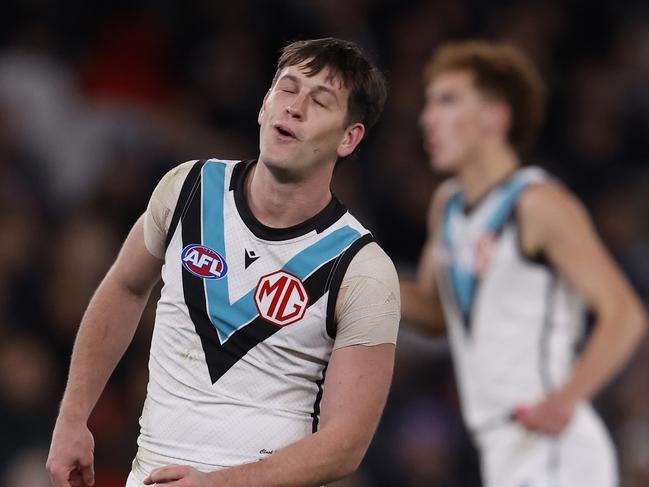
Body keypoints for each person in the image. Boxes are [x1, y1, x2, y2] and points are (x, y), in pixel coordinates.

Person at [47, 37, 400, 487]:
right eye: (288, 89)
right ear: (264, 106)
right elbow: (125, 287)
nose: (295, 107)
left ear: (349, 138)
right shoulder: (186, 189)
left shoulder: (362, 269)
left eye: (320, 101)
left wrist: (215, 484)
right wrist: (73, 417)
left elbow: (346, 443)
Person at [401, 40, 647, 487]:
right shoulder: (447, 207)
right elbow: (437, 314)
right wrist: (352, 276)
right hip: (501, 446)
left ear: (495, 116)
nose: (427, 117)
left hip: (552, 445)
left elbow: (624, 312)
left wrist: (566, 400)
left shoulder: (537, 203)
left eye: (447, 100)